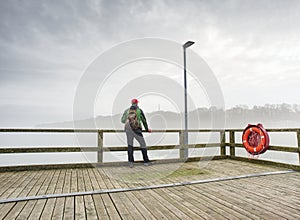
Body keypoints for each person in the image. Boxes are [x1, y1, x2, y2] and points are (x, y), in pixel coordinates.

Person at [121, 98, 152, 168]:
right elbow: (144, 121)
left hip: (128, 130)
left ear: (131, 103)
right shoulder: (139, 111)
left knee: (130, 145)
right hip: (137, 129)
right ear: (137, 103)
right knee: (143, 144)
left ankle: (131, 163)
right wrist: (147, 129)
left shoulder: (127, 111)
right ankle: (146, 161)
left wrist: (128, 119)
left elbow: (122, 121)